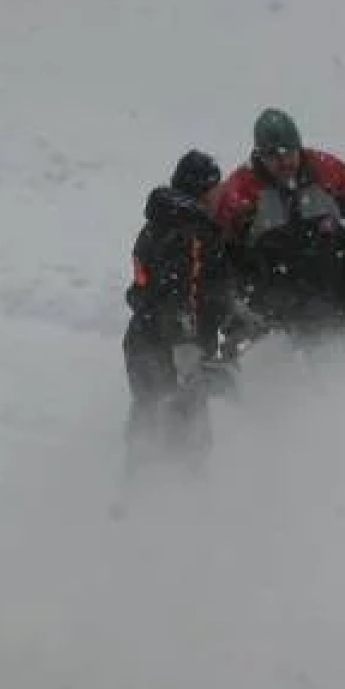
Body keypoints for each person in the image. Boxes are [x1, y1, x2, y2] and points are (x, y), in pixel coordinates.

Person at [213, 108, 345, 361]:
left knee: (334, 383)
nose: (285, 162)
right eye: (274, 156)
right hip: (267, 315)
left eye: (290, 152)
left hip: (325, 306)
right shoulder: (238, 194)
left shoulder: (332, 175)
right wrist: (234, 310)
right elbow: (218, 255)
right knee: (276, 389)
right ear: (259, 155)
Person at [121, 150, 234, 460]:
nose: (221, 193)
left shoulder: (164, 224)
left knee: (150, 425)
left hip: (147, 344)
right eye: (215, 187)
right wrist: (186, 351)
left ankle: (135, 494)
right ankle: (172, 499)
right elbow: (179, 293)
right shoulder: (188, 232)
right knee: (183, 440)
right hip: (167, 352)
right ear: (200, 189)